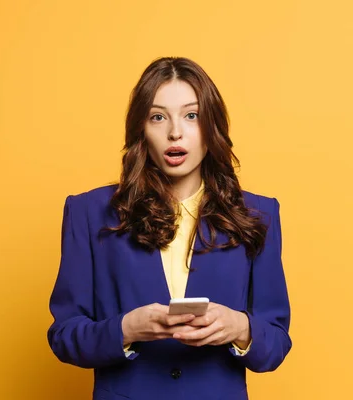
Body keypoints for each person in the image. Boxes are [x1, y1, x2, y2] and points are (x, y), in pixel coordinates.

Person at [47, 57, 292, 400]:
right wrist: (125, 329)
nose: (175, 132)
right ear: (141, 129)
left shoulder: (258, 214)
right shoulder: (89, 212)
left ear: (212, 126)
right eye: (158, 117)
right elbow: (64, 336)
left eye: (191, 116)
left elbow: (276, 344)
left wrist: (240, 327)